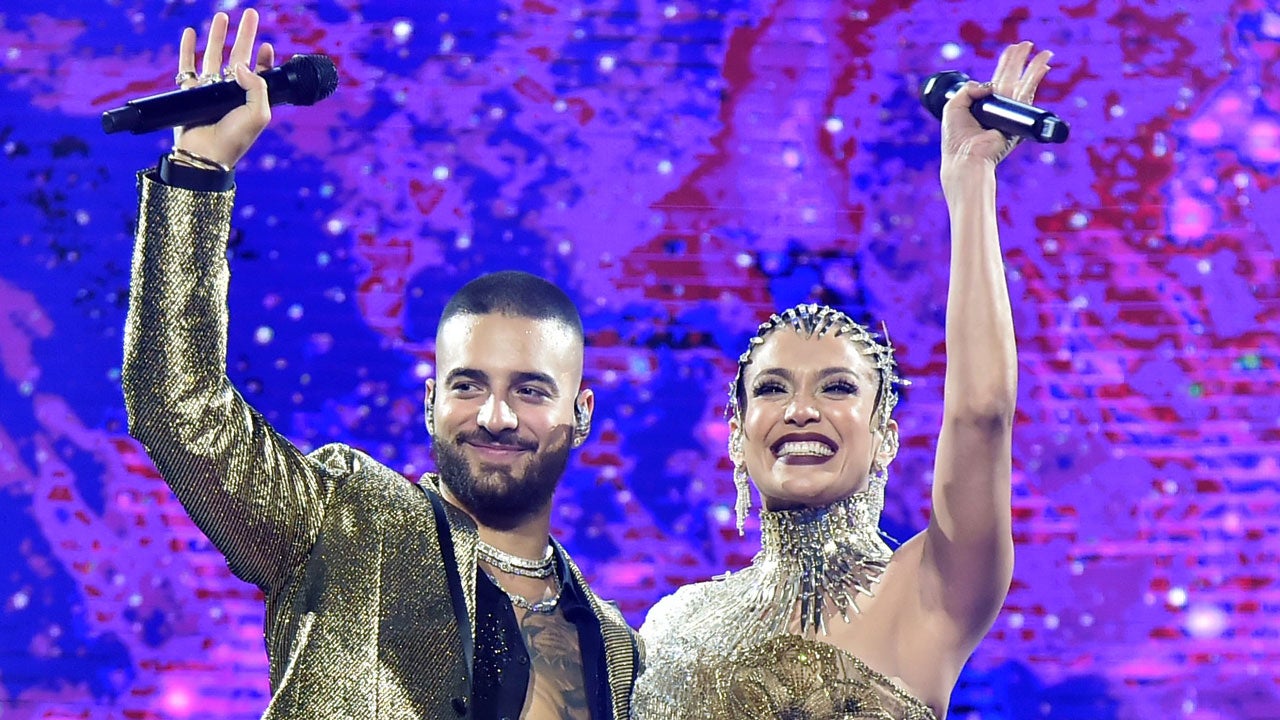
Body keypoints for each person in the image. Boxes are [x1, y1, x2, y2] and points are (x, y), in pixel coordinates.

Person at [121, 10, 639, 719]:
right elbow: (176, 406)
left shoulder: (615, 647)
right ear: (430, 402)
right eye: (468, 385)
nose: (495, 416)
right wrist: (197, 175)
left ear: (581, 413)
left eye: (529, 390)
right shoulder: (348, 524)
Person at [630, 41, 1053, 720]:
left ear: (886, 436)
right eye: (772, 388)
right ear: (736, 434)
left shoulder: (929, 594)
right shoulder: (675, 628)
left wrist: (969, 177)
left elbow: (981, 413)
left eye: (836, 388)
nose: (800, 410)